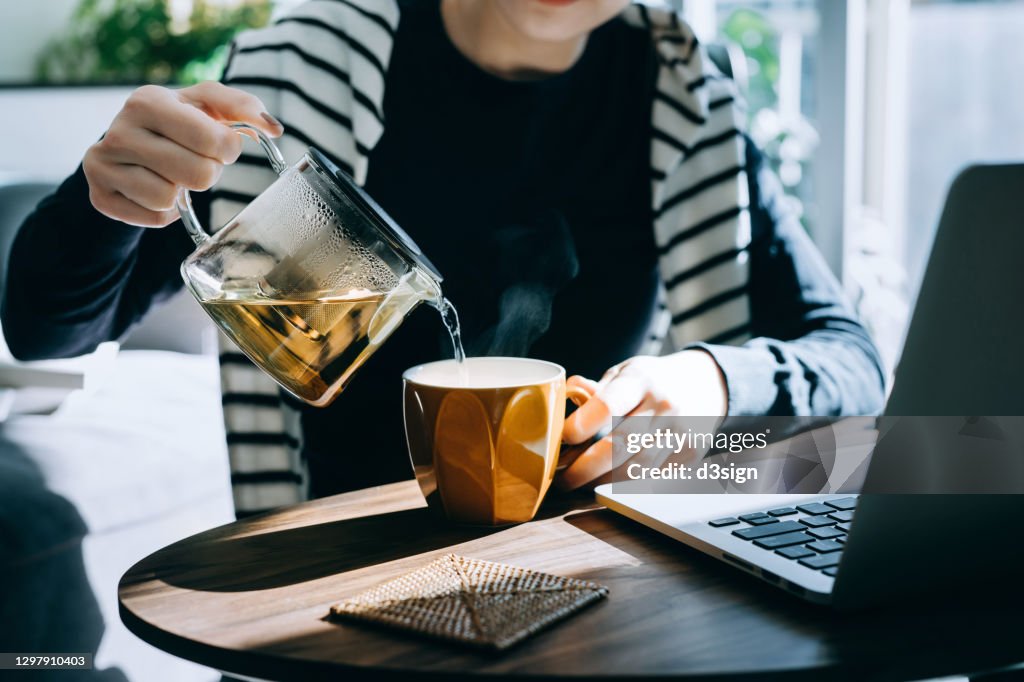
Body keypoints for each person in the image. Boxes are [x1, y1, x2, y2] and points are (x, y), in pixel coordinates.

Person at [2, 0, 884, 512]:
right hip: (331, 598)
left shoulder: (687, 94)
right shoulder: (303, 81)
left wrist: (708, 384)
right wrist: (108, 200)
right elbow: (46, 332)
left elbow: (849, 361)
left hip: (597, 590)